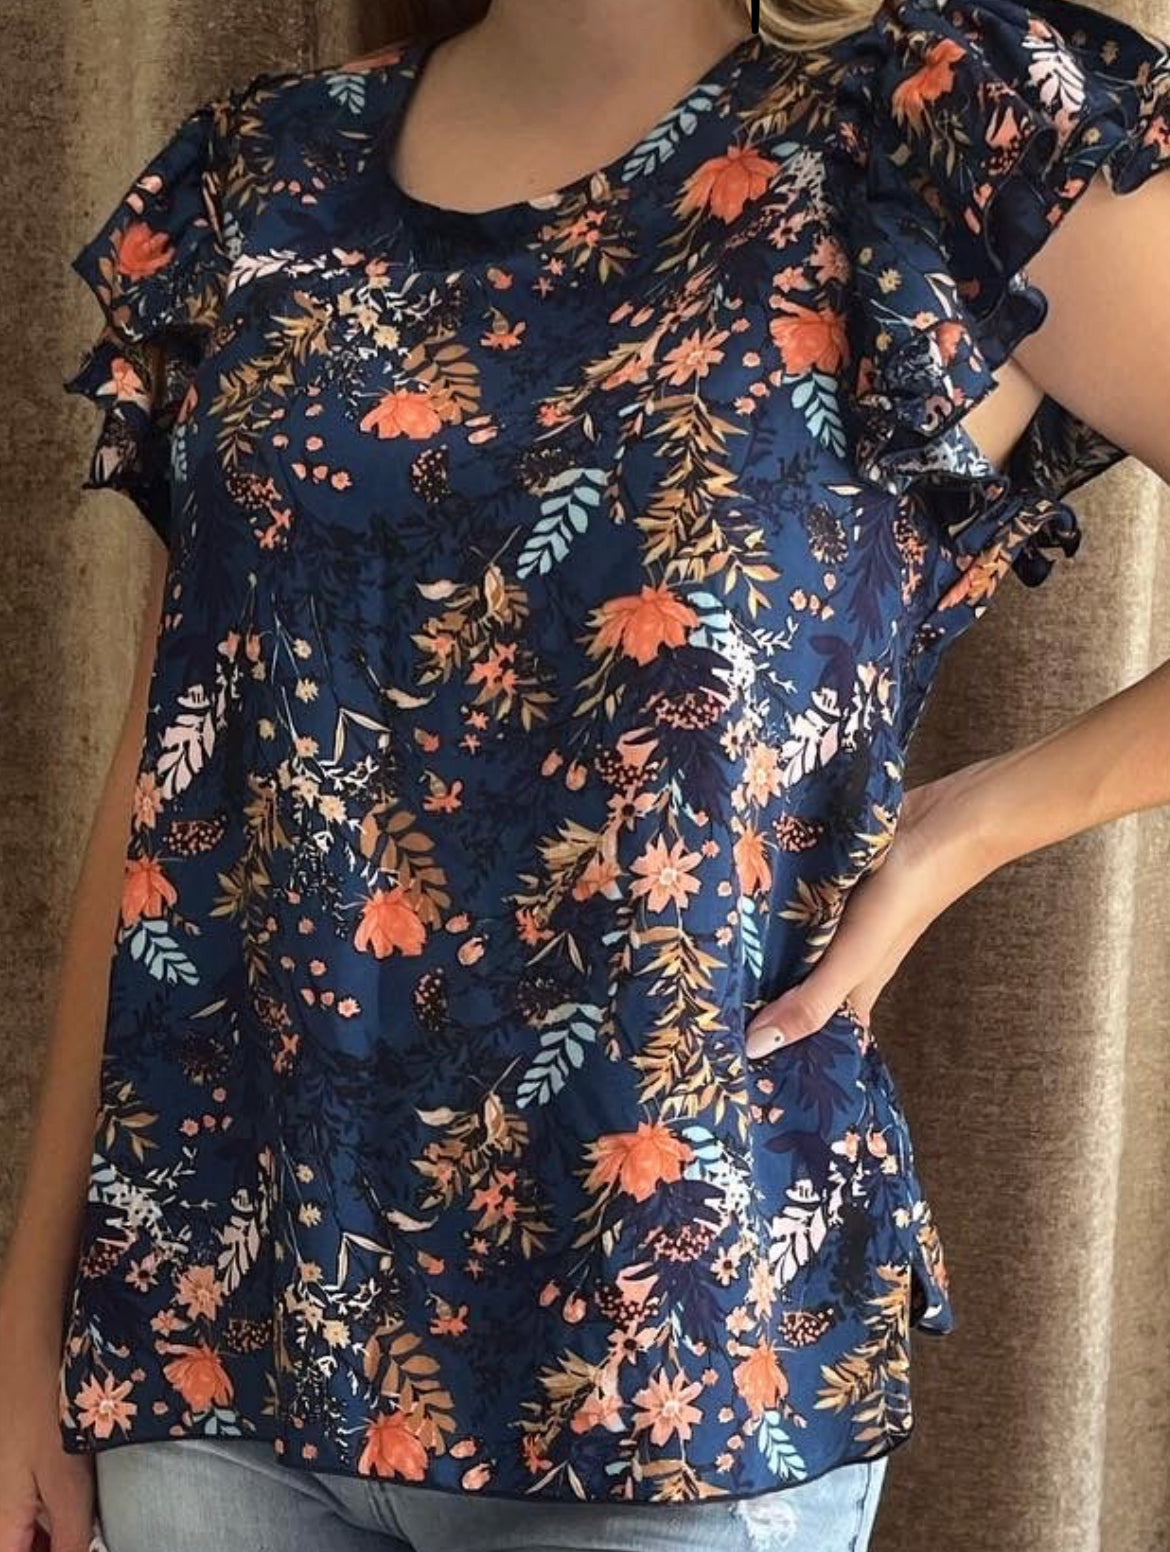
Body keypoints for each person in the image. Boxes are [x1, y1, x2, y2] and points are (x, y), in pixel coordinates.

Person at [4, 0, 1169, 1547]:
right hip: (216, 1335)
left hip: (663, 1364)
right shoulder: (264, 176)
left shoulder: (945, 133)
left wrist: (965, 828)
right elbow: (177, 767)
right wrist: (32, 1305)